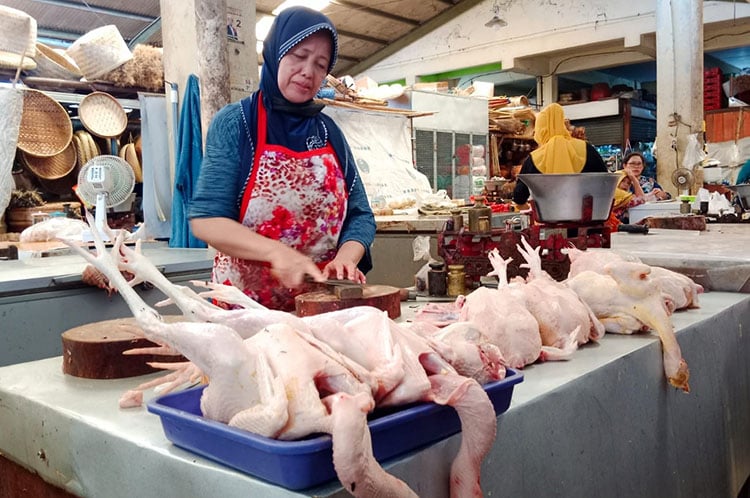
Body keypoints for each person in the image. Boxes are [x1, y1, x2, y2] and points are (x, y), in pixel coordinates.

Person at [189, 6, 376, 311]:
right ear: (275, 53)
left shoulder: (329, 133)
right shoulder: (237, 123)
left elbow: (361, 216)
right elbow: (207, 220)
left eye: (320, 64)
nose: (308, 72)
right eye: (299, 56)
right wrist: (276, 252)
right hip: (247, 313)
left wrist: (346, 258)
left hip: (322, 309)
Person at [513, 103, 608, 206]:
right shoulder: (586, 149)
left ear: (541, 130)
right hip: (587, 217)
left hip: (548, 217)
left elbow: (519, 197)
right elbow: (606, 183)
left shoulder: (535, 158)